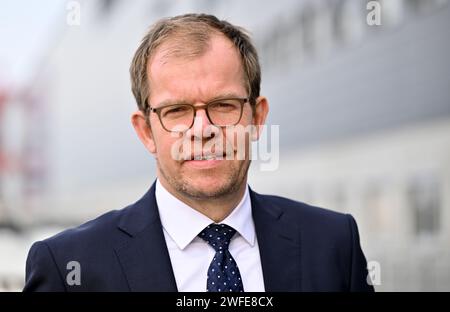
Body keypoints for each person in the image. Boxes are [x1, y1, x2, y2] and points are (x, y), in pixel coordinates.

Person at [23, 13, 374, 292]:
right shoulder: (69, 267)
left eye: (223, 105)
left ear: (258, 116)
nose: (203, 129)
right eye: (176, 111)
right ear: (146, 131)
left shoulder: (333, 244)